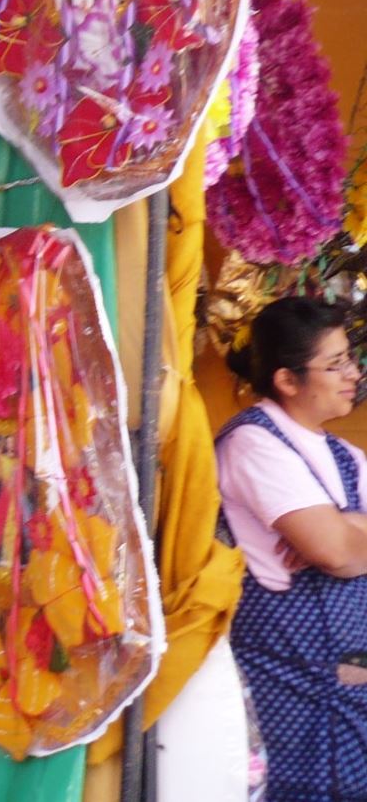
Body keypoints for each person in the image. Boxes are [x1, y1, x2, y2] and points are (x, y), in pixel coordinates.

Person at [216, 296, 367, 797]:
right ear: (287, 380)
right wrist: (341, 537)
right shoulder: (253, 443)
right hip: (286, 686)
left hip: (350, 687)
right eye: (337, 363)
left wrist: (344, 529)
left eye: (350, 357)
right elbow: (335, 552)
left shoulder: (346, 455)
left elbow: (340, 545)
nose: (353, 372)